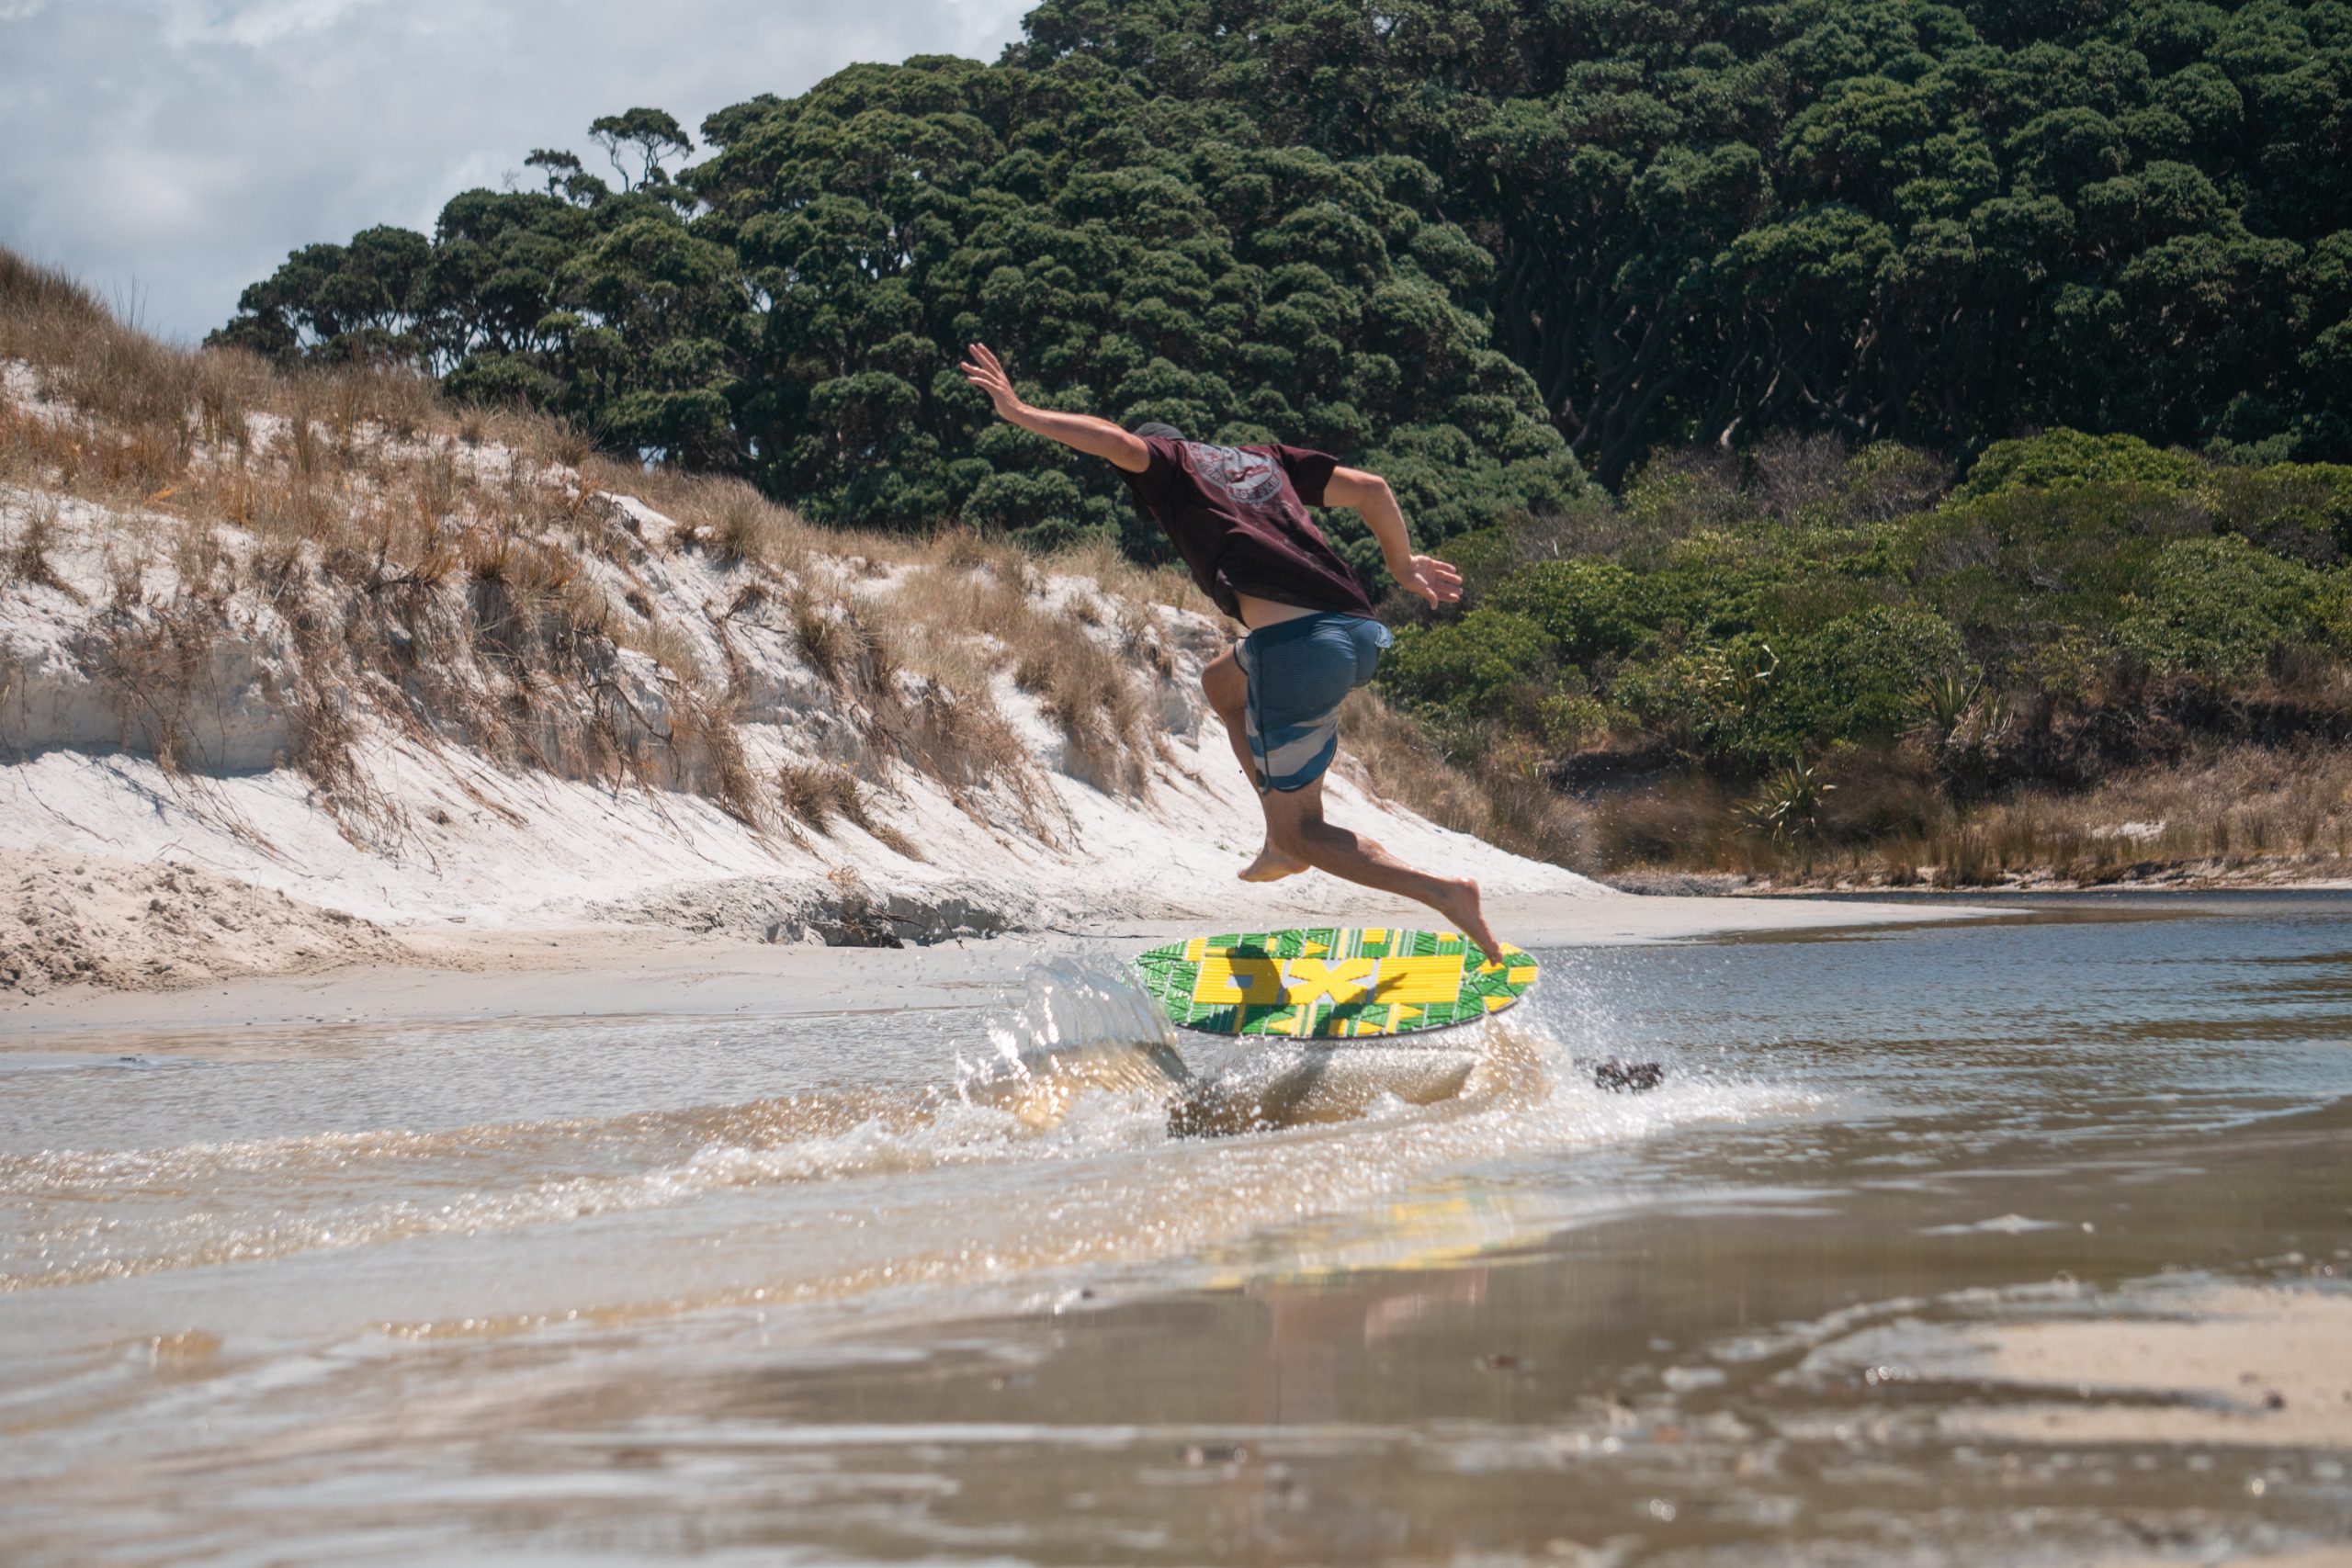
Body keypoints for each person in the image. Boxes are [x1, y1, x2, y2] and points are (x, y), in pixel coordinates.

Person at [957, 342, 1506, 965]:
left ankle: (1441, 893)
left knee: (1309, 833)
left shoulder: (1170, 467)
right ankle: (1279, 838)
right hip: (1356, 631)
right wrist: (1402, 564)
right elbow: (1373, 489)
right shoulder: (1261, 462)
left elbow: (1115, 443)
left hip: (1300, 651)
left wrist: (1021, 410)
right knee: (1222, 683)